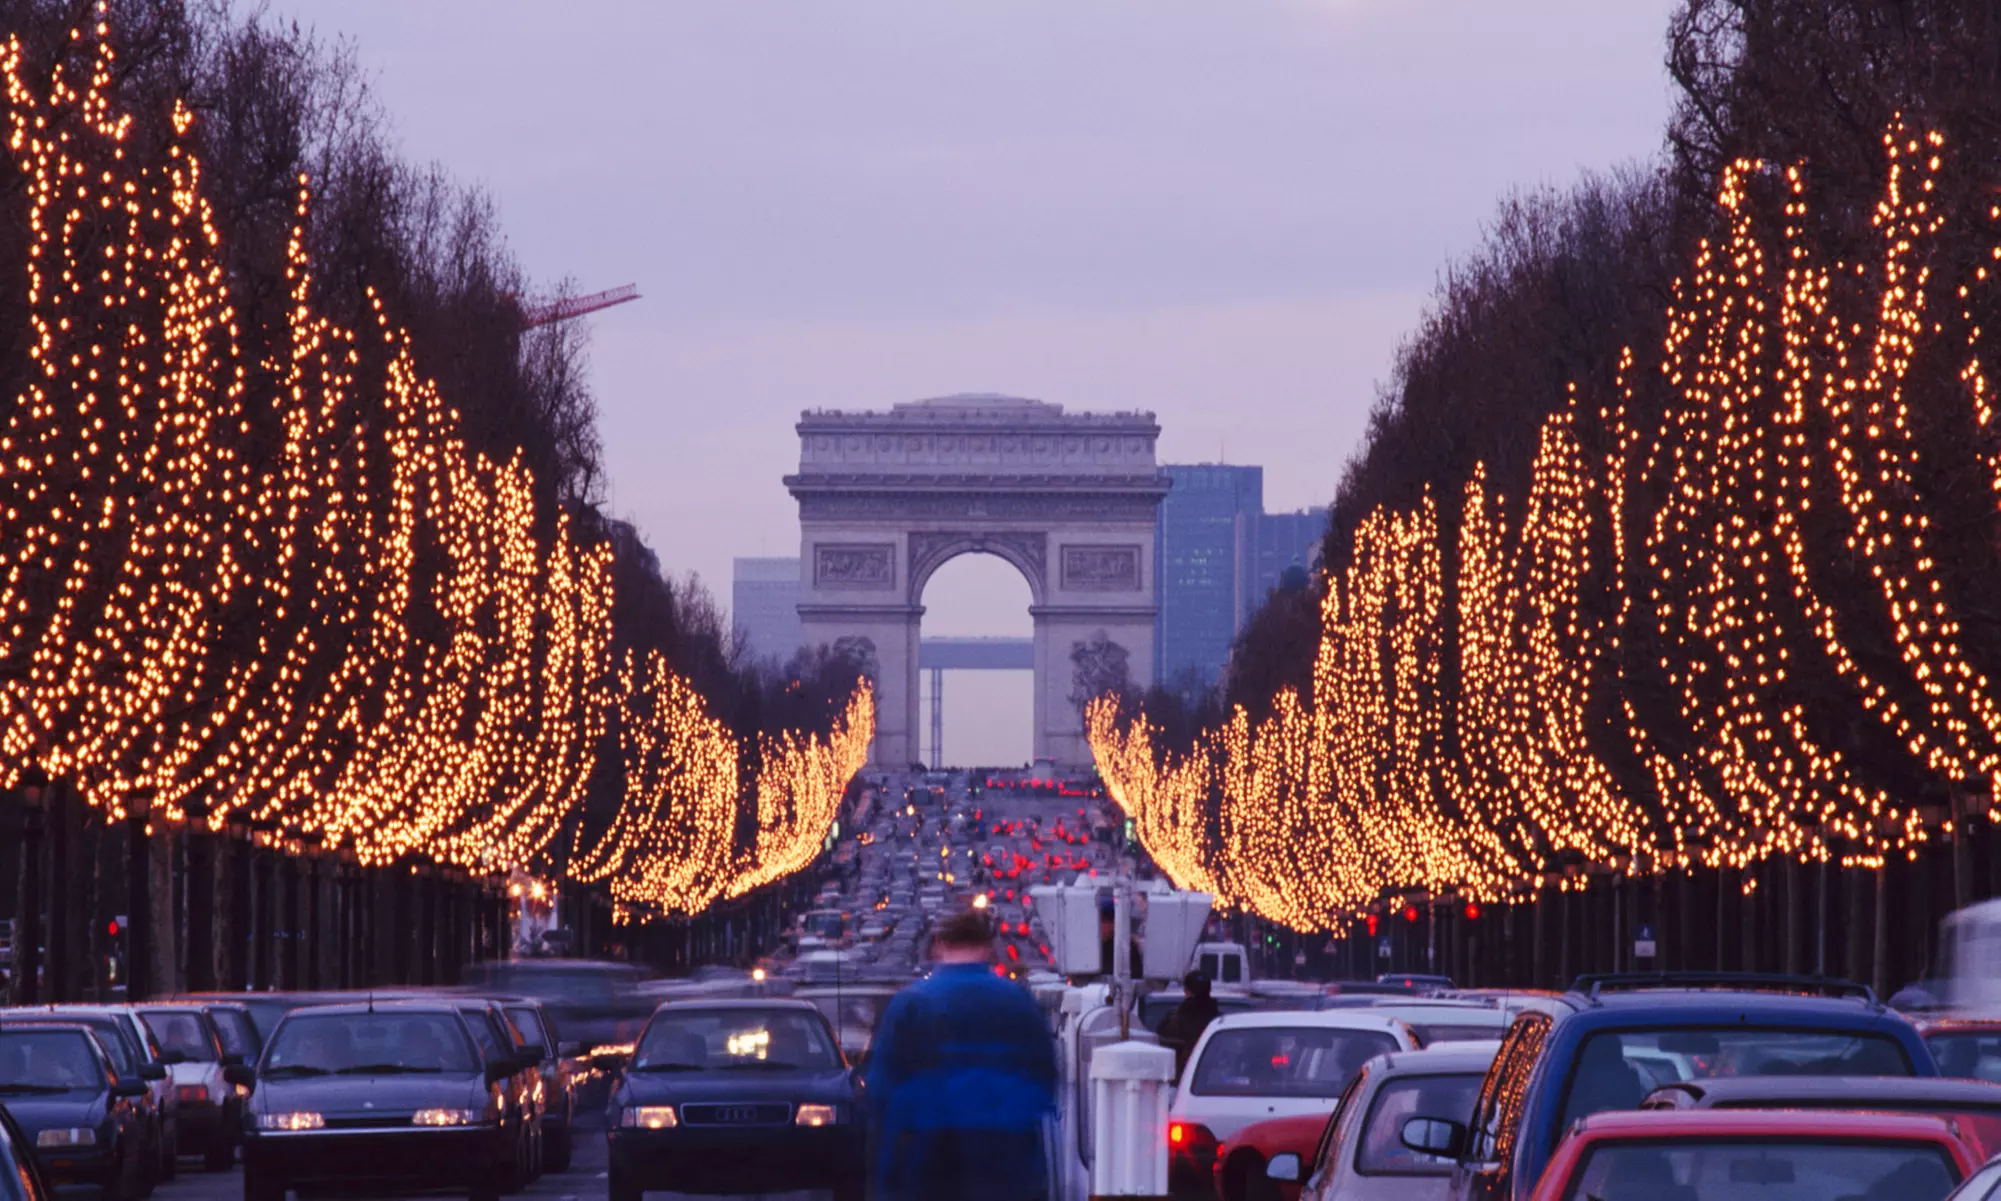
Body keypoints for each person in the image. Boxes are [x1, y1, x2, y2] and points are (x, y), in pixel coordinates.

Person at [866, 907, 1058, 1201]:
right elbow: (1044, 1078)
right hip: (1006, 1158)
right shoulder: (1017, 1000)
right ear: (988, 947)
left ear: (939, 945)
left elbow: (882, 1089)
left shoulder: (911, 1003)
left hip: (928, 1159)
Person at [1157, 971, 1222, 1075]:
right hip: (1215, 1079)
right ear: (1209, 990)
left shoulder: (1172, 1020)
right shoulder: (1221, 1024)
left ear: (1186, 991)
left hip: (1182, 1081)